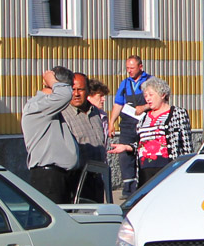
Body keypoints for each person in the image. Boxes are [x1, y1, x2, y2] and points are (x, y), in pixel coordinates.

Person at [112, 77, 192, 187]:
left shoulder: (178, 113)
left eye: (151, 95)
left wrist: (186, 170)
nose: (147, 99)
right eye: (145, 96)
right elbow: (142, 143)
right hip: (145, 169)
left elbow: (187, 145)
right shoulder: (144, 118)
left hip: (168, 167)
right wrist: (127, 147)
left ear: (162, 94)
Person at [20, 67, 79, 203]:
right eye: (70, 87)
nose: (73, 93)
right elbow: (64, 95)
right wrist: (52, 80)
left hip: (59, 176)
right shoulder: (38, 105)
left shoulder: (51, 107)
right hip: (48, 176)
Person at [110, 55, 151, 197]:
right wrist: (111, 123)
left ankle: (144, 186)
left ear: (140, 67)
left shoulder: (150, 81)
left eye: (132, 68)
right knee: (125, 156)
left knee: (142, 153)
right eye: (127, 68)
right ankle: (128, 189)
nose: (129, 71)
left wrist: (144, 107)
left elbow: (159, 100)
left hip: (144, 123)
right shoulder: (125, 83)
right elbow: (118, 104)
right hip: (127, 124)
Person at [63, 73, 108, 202]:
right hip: (77, 181)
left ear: (88, 91)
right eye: (73, 90)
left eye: (80, 89)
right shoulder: (63, 115)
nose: (76, 94)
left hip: (97, 178)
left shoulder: (95, 112)